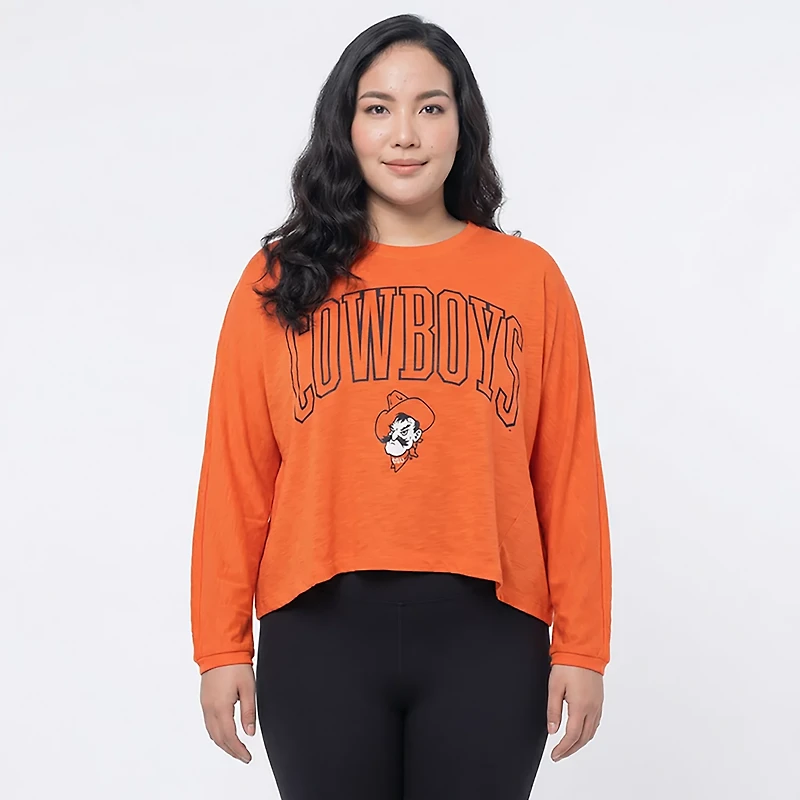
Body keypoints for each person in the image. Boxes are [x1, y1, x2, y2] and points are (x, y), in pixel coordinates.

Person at [190, 12, 612, 800]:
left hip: (490, 633)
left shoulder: (529, 279)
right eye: (378, 107)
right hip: (317, 632)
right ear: (345, 125)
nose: (405, 134)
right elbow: (236, 475)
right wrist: (221, 647)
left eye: (431, 107)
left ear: (463, 124)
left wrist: (583, 648)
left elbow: (568, 475)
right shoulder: (277, 281)